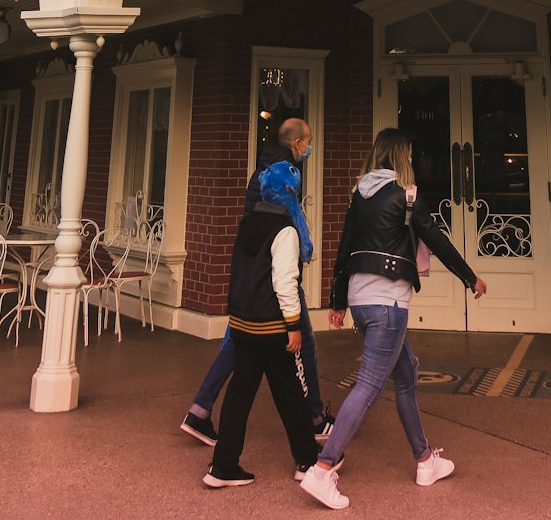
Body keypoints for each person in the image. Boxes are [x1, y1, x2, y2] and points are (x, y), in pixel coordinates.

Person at [300, 128, 487, 512]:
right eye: (411, 154)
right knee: (369, 385)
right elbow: (437, 240)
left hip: (361, 300)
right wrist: (471, 278)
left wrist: (337, 301)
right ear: (401, 156)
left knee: (406, 374)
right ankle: (321, 469)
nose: (414, 160)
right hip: (389, 303)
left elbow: (344, 245)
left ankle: (424, 461)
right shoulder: (407, 195)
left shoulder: (358, 195)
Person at [182, 117, 334, 446]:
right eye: (308, 141)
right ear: (297, 143)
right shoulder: (284, 175)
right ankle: (314, 418)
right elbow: (283, 229)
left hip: (251, 276)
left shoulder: (262, 171)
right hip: (273, 279)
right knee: (301, 342)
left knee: (237, 345)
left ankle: (200, 410)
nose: (309, 148)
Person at [203, 161, 321, 488]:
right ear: (289, 193)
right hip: (271, 326)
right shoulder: (285, 230)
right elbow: (285, 282)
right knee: (290, 392)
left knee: (240, 392)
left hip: (242, 323)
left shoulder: (248, 224)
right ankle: (307, 460)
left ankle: (223, 465)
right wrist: (294, 325)